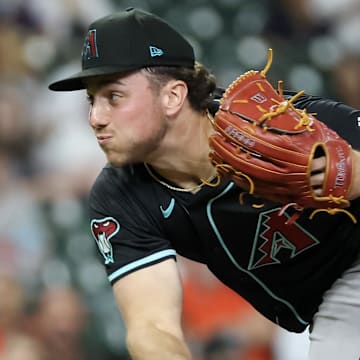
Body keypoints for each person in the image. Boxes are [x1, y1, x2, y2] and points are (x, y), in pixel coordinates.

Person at [48, 7, 360, 360]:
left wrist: (352, 172)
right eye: (92, 99)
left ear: (173, 96)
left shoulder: (270, 122)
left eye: (114, 97)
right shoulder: (119, 194)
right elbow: (152, 328)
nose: (95, 117)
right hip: (336, 296)